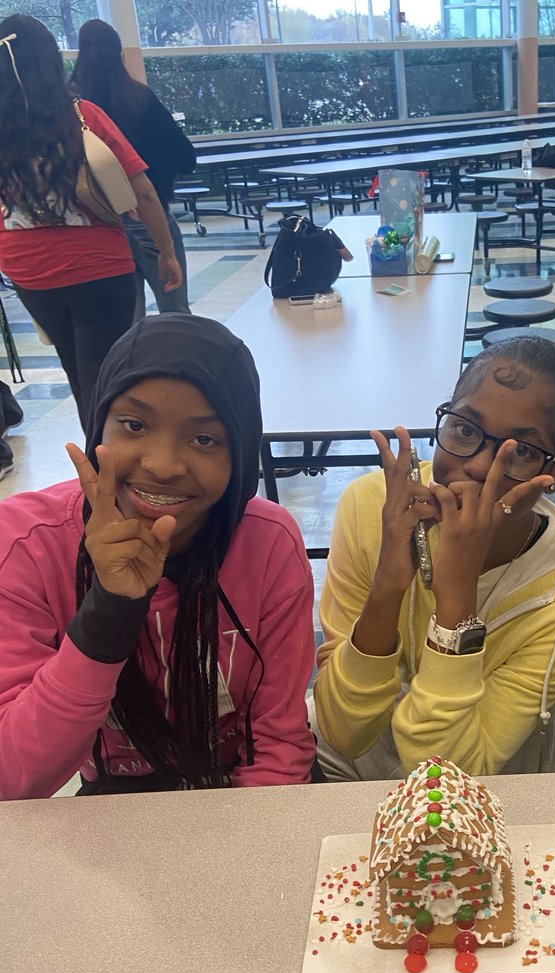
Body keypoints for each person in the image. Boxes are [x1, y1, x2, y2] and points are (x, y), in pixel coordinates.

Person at [0, 314, 318, 801]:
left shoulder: (268, 543)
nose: (164, 465)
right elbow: (15, 777)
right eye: (134, 424)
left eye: (205, 439)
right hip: (119, 797)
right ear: (97, 424)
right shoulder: (27, 542)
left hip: (243, 794)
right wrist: (108, 610)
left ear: (240, 451)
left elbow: (278, 746)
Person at [312, 336, 555, 780]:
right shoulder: (376, 505)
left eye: (521, 452)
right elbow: (343, 733)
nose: (478, 466)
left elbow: (446, 777)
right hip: (356, 774)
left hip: (483, 796)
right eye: (465, 430)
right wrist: (387, 586)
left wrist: (456, 599)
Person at [0, 14, 182, 432]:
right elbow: (144, 191)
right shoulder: (83, 116)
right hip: (99, 266)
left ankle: (98, 463)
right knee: (108, 374)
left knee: (78, 372)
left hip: (29, 272)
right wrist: (166, 251)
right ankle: (106, 468)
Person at [71, 19, 196, 320]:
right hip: (147, 214)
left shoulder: (68, 106)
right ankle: (179, 365)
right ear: (119, 54)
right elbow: (185, 156)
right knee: (175, 311)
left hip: (96, 223)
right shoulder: (138, 98)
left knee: (124, 321)